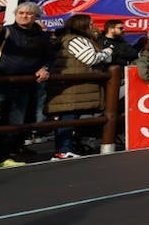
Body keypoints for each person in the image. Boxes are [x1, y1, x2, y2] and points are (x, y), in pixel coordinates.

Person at [0, 2, 54, 166]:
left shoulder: (42, 36)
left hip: (23, 87)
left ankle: (0, 157)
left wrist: (45, 68)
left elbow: (49, 56)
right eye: (21, 12)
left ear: (36, 16)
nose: (24, 16)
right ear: (15, 14)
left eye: (29, 13)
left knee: (14, 124)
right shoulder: (6, 30)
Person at [45, 13, 114, 158]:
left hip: (76, 86)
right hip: (72, 86)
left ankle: (66, 148)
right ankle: (63, 150)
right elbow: (90, 58)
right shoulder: (75, 40)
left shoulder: (76, 39)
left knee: (71, 116)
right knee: (68, 116)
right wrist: (106, 52)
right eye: (90, 23)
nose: (93, 26)